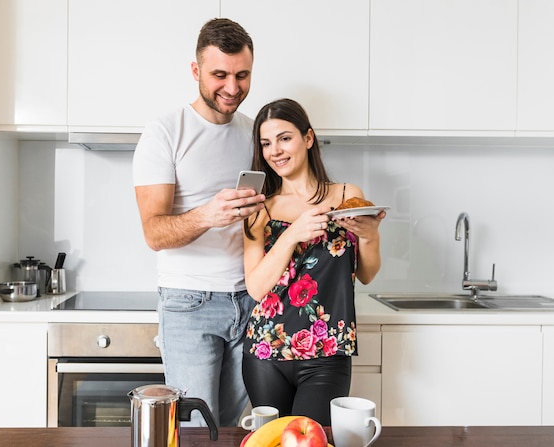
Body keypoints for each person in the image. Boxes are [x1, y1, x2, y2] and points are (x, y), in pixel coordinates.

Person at [132, 18, 265, 427]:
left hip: (250, 300)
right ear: (196, 71)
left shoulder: (254, 133)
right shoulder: (165, 133)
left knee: (231, 429)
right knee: (194, 429)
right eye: (219, 75)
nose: (232, 87)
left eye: (242, 75)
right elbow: (154, 232)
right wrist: (209, 214)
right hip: (190, 304)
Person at [241, 98, 385, 426]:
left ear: (308, 138)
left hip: (328, 350)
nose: (274, 150)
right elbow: (256, 286)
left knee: (314, 439)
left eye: (284, 138)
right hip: (266, 350)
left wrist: (370, 235)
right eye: (266, 143)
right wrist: (293, 234)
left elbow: (366, 274)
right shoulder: (258, 207)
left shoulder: (347, 195)